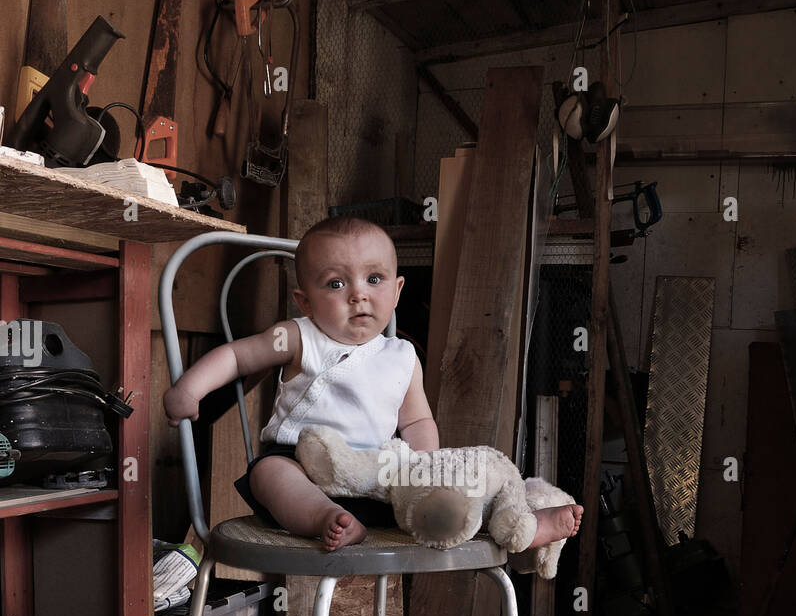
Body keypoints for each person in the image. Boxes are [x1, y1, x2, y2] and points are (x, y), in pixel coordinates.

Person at [164, 216, 583, 552]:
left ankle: (525, 522)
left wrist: (427, 470)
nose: (358, 295)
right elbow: (239, 355)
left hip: (380, 478)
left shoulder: (402, 357)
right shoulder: (298, 337)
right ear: (305, 301)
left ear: (398, 291)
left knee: (452, 504)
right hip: (303, 466)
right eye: (335, 283)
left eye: (374, 279)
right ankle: (325, 519)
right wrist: (190, 389)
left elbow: (417, 421)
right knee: (268, 474)